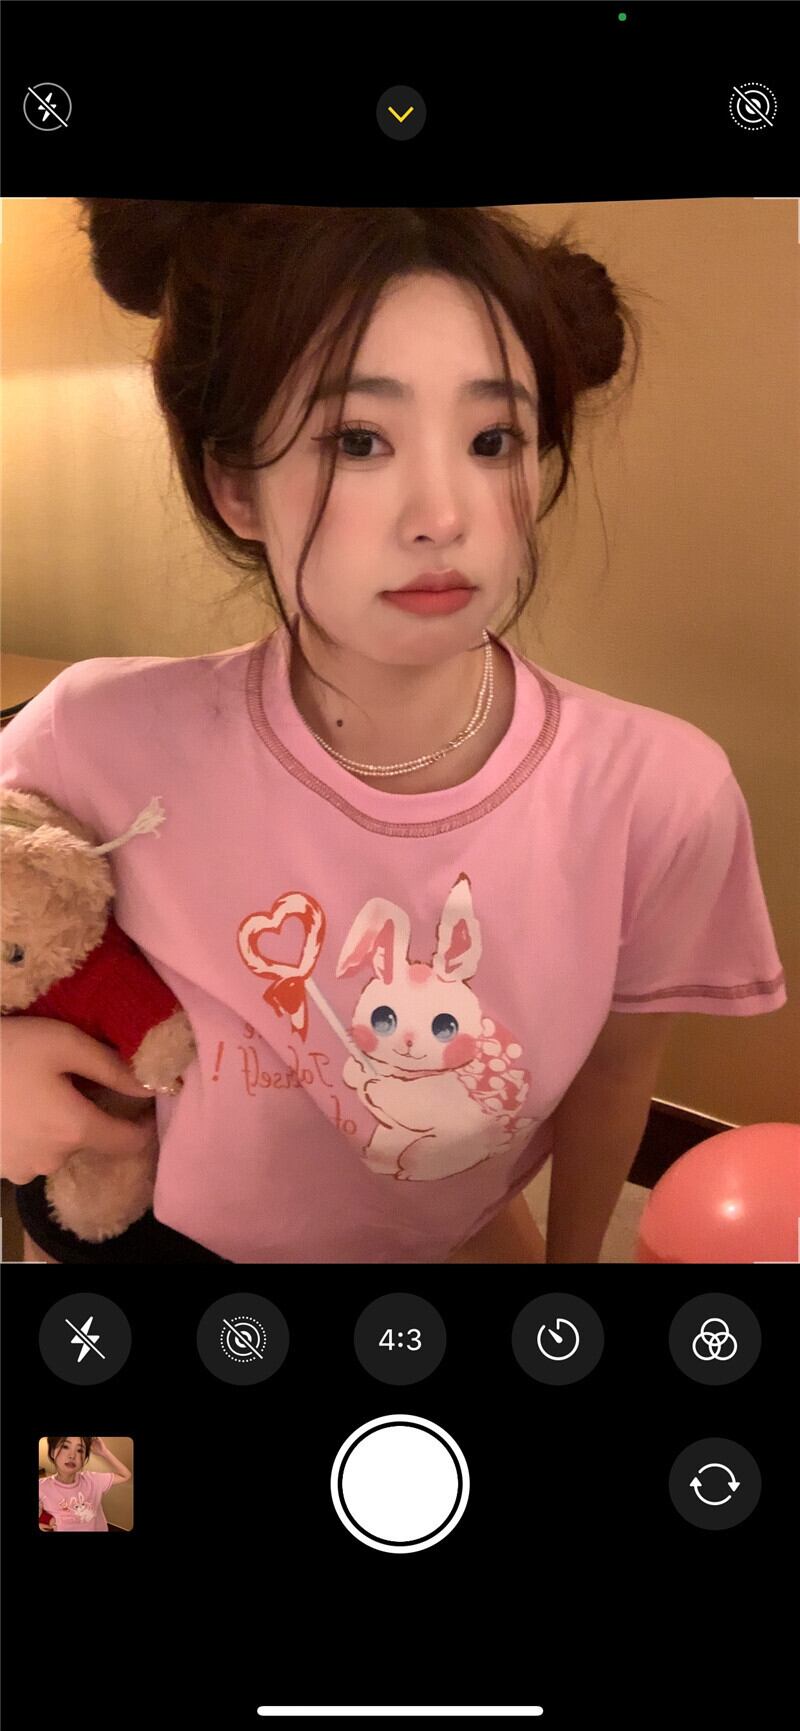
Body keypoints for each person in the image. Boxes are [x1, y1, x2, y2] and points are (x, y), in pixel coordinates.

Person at [1, 202, 787, 1265]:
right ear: (236, 486)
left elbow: (613, 1076)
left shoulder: (659, 793)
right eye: (358, 440)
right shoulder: (97, 735)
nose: (443, 514)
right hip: (161, 1239)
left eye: (492, 440)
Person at [38, 1436, 130, 1531]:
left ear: (84, 1458)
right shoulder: (41, 1487)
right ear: (52, 1452)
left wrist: (104, 1452)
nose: (72, 1455)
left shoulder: (93, 1480)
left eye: (80, 1450)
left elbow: (125, 1475)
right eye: (65, 1447)